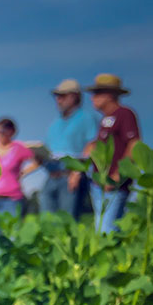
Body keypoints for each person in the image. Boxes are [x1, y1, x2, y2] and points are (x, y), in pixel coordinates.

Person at [73, 74, 140, 233]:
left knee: (107, 230)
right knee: (101, 228)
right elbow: (100, 146)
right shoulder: (105, 120)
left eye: (97, 93)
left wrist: (118, 174)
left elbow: (134, 144)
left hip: (114, 184)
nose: (92, 98)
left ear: (109, 95)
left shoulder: (125, 114)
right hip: (99, 183)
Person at [0, 118, 40, 250]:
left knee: (12, 234)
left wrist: (23, 172)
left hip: (12, 199)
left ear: (11, 132)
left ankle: (11, 266)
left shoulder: (18, 148)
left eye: (2, 131)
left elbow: (37, 160)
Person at [41, 79, 98, 218]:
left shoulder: (87, 118)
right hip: (51, 176)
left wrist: (77, 172)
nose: (58, 100)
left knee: (68, 221)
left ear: (74, 96)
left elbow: (92, 146)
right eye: (57, 97)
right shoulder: (54, 124)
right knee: (46, 222)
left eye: (62, 96)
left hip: (71, 175)